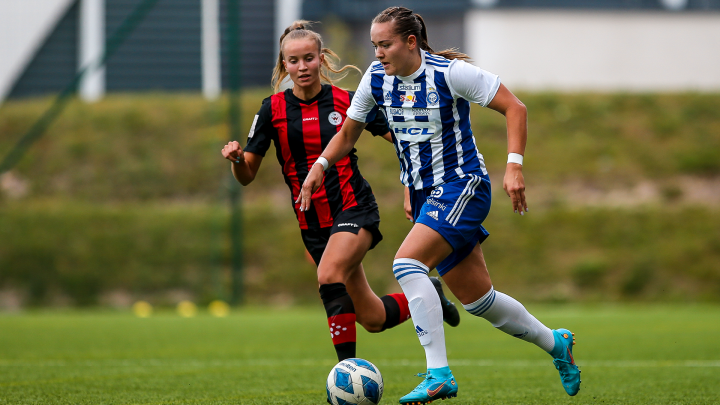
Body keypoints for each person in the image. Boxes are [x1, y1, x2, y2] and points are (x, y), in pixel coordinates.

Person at [297, 7, 581, 403]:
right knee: (479, 300)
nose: (378, 53)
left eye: (386, 44)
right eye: (374, 45)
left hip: (462, 185)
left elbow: (516, 107)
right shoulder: (376, 80)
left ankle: (438, 374)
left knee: (406, 264)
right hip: (424, 195)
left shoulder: (448, 73)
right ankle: (556, 343)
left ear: (410, 42)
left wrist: (514, 166)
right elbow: (347, 134)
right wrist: (320, 166)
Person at [221, 21, 460, 363]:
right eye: (293, 61)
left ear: (322, 58)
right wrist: (235, 160)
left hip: (353, 208)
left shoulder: (349, 101)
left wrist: (413, 185)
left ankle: (347, 374)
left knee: (328, 275)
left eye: (308, 58)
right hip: (313, 225)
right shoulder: (271, 110)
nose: (302, 67)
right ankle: (431, 296)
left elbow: (405, 141)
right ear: (283, 64)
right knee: (374, 319)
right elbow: (246, 176)